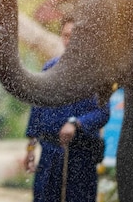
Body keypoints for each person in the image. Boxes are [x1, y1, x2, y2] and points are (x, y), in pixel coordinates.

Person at [25, 15, 110, 202]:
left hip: (81, 156)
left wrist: (76, 123)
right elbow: (37, 110)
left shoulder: (96, 73)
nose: (69, 40)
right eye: (65, 35)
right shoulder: (49, 68)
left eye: (74, 36)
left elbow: (103, 113)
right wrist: (30, 149)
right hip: (50, 155)